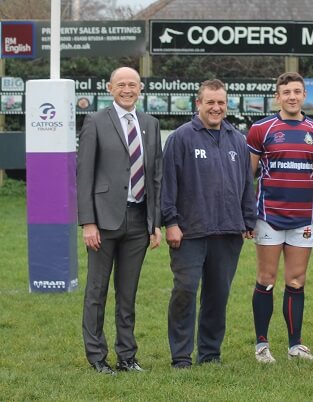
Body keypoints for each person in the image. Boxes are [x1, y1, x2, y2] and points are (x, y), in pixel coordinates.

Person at [247, 72, 313, 363]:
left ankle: (295, 345)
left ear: (304, 96)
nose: (292, 96)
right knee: (266, 279)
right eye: (286, 92)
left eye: (297, 91)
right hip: (268, 215)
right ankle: (261, 345)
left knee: (296, 281)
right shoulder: (261, 129)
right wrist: (245, 214)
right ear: (277, 97)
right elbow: (247, 174)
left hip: (303, 217)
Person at [161, 79, 256, 369]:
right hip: (189, 230)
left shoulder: (237, 140)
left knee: (217, 295)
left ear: (226, 106)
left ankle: (210, 354)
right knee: (185, 290)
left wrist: (248, 218)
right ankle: (180, 356)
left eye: (221, 103)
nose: (216, 108)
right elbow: (168, 183)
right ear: (198, 104)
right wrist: (170, 222)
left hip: (228, 230)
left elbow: (246, 184)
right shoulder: (181, 137)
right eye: (210, 102)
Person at [77, 66, 162, 375]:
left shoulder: (151, 124)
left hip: (139, 221)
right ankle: (97, 357)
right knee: (97, 292)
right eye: (121, 84)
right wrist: (88, 222)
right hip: (103, 221)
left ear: (140, 88)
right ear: (110, 88)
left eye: (133, 84)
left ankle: (127, 356)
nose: (127, 89)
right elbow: (84, 174)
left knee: (128, 294)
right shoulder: (95, 121)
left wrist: (155, 223)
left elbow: (155, 176)